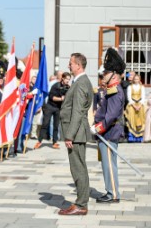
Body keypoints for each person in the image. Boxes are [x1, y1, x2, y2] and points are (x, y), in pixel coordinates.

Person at [58, 53, 93, 216]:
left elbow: (78, 111)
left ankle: (81, 204)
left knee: (78, 168)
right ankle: (81, 202)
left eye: (71, 63)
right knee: (79, 167)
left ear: (78, 65)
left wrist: (69, 135)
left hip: (76, 133)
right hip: (77, 132)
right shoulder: (81, 82)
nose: (68, 66)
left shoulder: (80, 83)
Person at [90, 47, 125, 203]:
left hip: (110, 131)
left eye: (106, 72)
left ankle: (113, 194)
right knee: (107, 163)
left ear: (114, 74)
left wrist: (97, 127)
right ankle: (111, 191)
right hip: (106, 131)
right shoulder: (111, 90)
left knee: (109, 165)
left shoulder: (116, 91)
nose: (103, 75)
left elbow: (110, 116)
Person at [34, 72, 71, 149]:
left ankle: (54, 142)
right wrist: (61, 99)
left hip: (58, 108)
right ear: (63, 78)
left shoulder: (67, 87)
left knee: (56, 125)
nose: (68, 81)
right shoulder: (56, 86)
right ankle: (39, 141)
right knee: (45, 124)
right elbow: (52, 97)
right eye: (67, 79)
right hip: (50, 107)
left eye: (69, 79)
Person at [124, 74, 146, 142]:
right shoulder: (130, 87)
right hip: (132, 105)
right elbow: (129, 97)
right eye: (135, 79)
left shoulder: (142, 87)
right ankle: (131, 137)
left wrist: (139, 105)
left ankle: (139, 137)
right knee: (131, 119)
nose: (136, 80)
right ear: (133, 79)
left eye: (137, 79)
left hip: (140, 105)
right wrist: (134, 105)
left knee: (141, 120)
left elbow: (143, 97)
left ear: (139, 80)